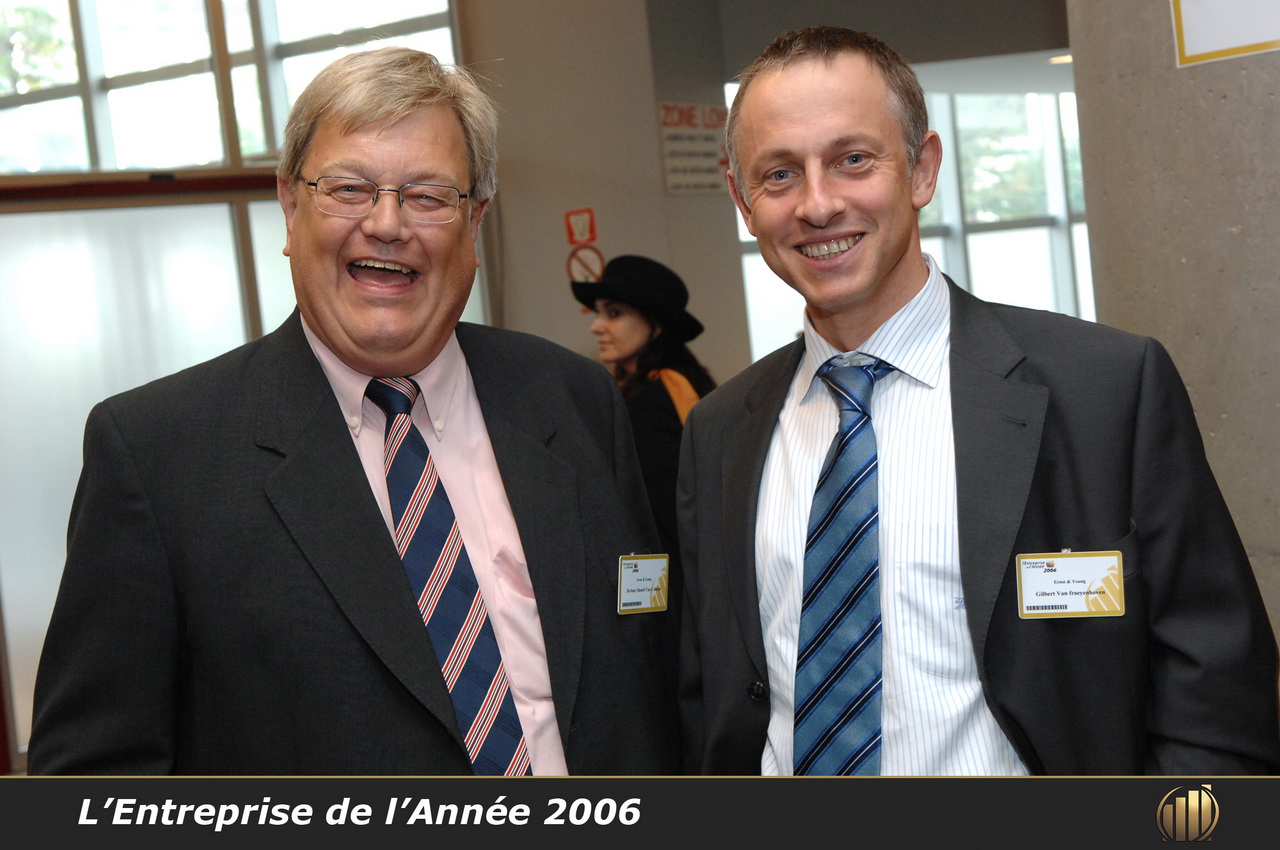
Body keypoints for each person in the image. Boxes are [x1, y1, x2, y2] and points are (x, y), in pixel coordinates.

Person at [27, 47, 679, 776]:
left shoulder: (573, 399)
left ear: (476, 221)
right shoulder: (158, 454)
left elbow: (648, 667)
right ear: (290, 205)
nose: (388, 224)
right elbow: (94, 776)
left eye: (429, 195)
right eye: (349, 188)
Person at [677, 25, 1280, 776]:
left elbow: (1216, 694)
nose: (819, 204)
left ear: (922, 169)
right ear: (743, 202)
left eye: (853, 159)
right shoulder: (719, 432)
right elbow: (706, 697)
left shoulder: (1106, 390)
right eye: (779, 175)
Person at [571, 255, 716, 567]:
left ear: (656, 325)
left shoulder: (659, 393)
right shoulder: (660, 383)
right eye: (598, 313)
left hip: (672, 572)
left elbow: (664, 512)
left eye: (614, 313)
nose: (596, 326)